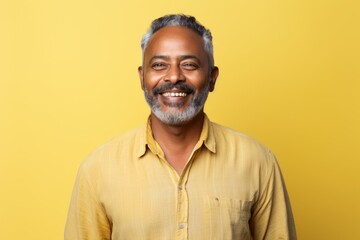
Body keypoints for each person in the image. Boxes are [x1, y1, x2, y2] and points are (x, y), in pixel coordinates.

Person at [65, 14, 297, 240]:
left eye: (189, 64)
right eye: (159, 65)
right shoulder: (97, 169)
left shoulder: (258, 162)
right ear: (142, 77)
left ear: (212, 78)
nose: (174, 76)